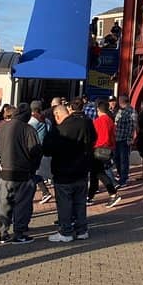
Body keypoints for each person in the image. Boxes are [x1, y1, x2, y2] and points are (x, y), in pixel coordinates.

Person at [0, 103, 43, 244]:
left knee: (4, 202)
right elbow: (35, 152)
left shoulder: (3, 128)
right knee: (22, 205)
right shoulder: (29, 130)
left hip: (5, 172)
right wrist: (33, 168)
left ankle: (3, 232)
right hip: (23, 172)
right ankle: (19, 233)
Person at [44, 103, 92, 242]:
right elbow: (92, 140)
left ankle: (66, 232)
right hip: (82, 171)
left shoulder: (57, 130)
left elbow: (46, 150)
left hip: (63, 172)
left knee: (64, 203)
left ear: (57, 115)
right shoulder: (84, 124)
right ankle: (82, 230)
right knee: (80, 202)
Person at [89, 99, 121, 208]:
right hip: (108, 149)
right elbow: (112, 136)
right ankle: (90, 195)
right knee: (95, 173)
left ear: (98, 109)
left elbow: (93, 136)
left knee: (99, 173)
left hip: (98, 148)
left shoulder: (97, 121)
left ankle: (113, 193)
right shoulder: (110, 120)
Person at [28, 100, 53, 203]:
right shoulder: (46, 120)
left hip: (35, 147)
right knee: (36, 171)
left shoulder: (33, 121)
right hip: (45, 147)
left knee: (33, 171)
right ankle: (45, 191)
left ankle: (45, 192)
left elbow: (28, 133)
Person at [113, 94, 137, 187]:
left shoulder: (131, 111)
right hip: (117, 138)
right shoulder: (120, 111)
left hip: (124, 139)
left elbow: (132, 127)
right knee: (116, 158)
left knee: (124, 159)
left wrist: (130, 139)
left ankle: (124, 178)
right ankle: (120, 175)